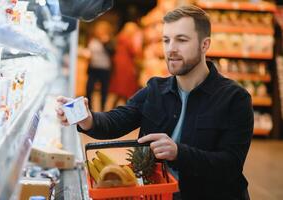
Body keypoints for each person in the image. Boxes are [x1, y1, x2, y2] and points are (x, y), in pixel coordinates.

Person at [56, 5, 253, 200]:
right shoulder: (156, 89)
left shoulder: (235, 99)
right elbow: (118, 119)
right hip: (155, 194)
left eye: (181, 40)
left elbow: (230, 165)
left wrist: (179, 153)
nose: (171, 49)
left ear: (205, 45)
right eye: (166, 40)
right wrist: (87, 119)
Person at [109, 22, 143, 107]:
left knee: (121, 89)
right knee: (126, 88)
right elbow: (134, 52)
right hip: (126, 65)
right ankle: (127, 108)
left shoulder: (120, 37)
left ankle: (116, 108)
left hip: (121, 65)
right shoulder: (127, 39)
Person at [83, 20, 115, 111]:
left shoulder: (109, 40)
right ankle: (89, 108)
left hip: (104, 68)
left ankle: (102, 109)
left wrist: (105, 43)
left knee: (104, 90)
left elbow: (112, 52)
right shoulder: (92, 39)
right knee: (89, 88)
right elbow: (89, 51)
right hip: (93, 68)